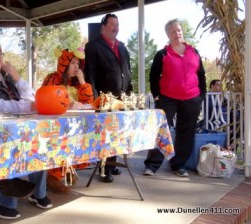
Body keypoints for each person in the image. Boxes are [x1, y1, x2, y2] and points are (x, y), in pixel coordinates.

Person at [0, 40, 52, 220]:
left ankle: (37, 192)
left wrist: (18, 78)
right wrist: (25, 107)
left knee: (39, 142)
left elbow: (32, 97)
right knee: (16, 144)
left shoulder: (7, 78)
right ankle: (1, 202)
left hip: (16, 127)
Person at [143, 19, 206, 177]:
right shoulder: (162, 54)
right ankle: (152, 165)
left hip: (191, 98)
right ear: (168, 35)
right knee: (160, 130)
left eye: (178, 30)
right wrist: (157, 95)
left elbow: (201, 75)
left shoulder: (194, 52)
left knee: (186, 132)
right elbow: (153, 76)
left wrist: (201, 96)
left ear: (182, 32)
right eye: (173, 31)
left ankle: (178, 165)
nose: (177, 33)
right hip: (167, 98)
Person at [84, 13, 132, 183]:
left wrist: (129, 95)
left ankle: (112, 164)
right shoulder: (93, 46)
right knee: (105, 135)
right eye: (112, 24)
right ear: (103, 27)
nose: (115, 27)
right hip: (104, 99)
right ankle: (104, 169)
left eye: (117, 24)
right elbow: (91, 75)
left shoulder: (122, 47)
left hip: (121, 97)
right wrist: (96, 100)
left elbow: (127, 72)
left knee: (117, 133)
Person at [41, 48, 94, 192]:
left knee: (78, 141)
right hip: (56, 125)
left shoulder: (76, 82)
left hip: (73, 125)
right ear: (64, 65)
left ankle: (68, 169)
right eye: (73, 63)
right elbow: (46, 99)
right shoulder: (53, 79)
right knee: (61, 146)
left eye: (78, 63)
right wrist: (65, 103)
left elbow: (88, 103)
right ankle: (53, 176)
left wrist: (83, 82)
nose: (76, 66)